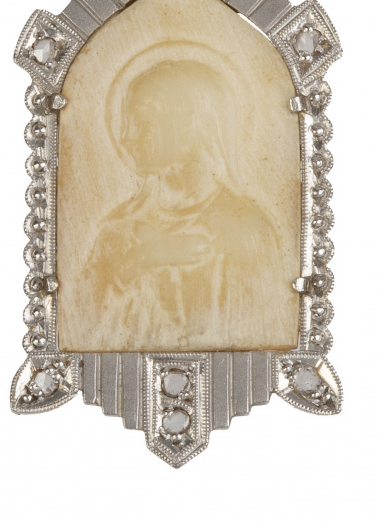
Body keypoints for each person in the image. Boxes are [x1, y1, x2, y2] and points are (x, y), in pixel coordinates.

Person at [81, 58, 284, 351]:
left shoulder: (247, 232)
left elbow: (259, 335)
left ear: (190, 125)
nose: (126, 137)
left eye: (142, 121)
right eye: (127, 123)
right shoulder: (116, 230)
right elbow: (84, 325)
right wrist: (139, 261)